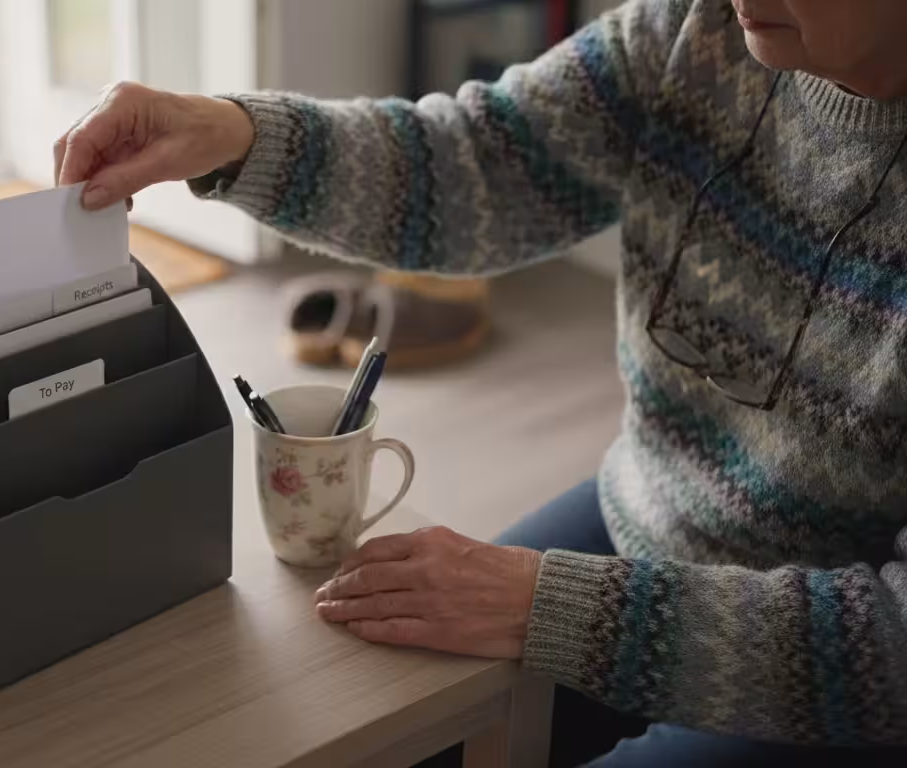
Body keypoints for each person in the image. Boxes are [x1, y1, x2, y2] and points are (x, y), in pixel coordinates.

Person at [55, 0, 907, 764]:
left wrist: (558, 609)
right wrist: (233, 132)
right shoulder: (694, 29)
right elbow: (479, 163)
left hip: (843, 664)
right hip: (646, 512)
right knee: (377, 714)